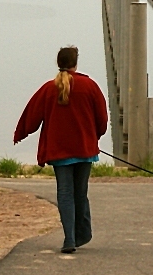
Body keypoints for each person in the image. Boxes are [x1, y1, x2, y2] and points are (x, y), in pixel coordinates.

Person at [14, 46, 108, 253]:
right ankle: (82, 234)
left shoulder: (49, 88)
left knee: (65, 193)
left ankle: (69, 239)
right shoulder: (90, 86)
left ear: (59, 63)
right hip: (84, 149)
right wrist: (95, 136)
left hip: (59, 151)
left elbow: (31, 115)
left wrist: (20, 133)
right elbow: (102, 119)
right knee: (80, 193)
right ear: (76, 62)